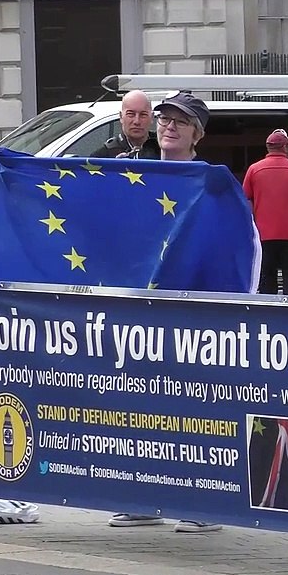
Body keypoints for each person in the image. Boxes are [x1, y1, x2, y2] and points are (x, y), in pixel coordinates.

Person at [108, 90, 220, 534]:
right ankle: (145, 497)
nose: (169, 126)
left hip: (192, 308)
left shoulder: (208, 180)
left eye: (180, 121)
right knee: (142, 402)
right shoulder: (139, 174)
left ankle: (204, 502)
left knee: (194, 404)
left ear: (197, 133)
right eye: (165, 119)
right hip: (142, 308)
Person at [243, 129, 288, 295]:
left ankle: (270, 314)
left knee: (266, 277)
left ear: (268, 148)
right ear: (286, 148)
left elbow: (245, 199)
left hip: (264, 234)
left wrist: (257, 215)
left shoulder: (254, 169)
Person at [94, 90, 159, 159]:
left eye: (143, 115)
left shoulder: (163, 149)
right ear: (121, 116)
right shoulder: (102, 157)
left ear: (152, 117)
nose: (137, 121)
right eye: (130, 114)